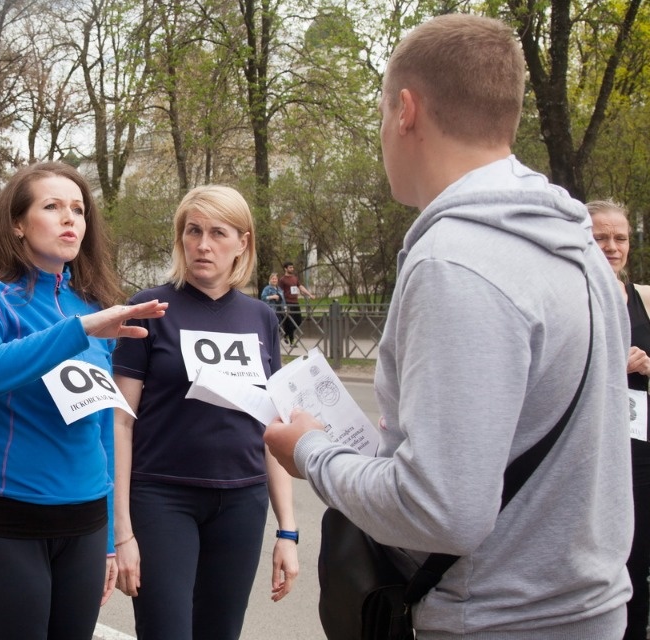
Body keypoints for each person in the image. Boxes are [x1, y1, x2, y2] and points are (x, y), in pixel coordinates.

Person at [264, 14, 632, 638]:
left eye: (383, 112)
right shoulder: (575, 247)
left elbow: (442, 511)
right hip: (583, 606)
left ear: (406, 110)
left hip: (497, 616)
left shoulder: (454, 261)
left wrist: (310, 451)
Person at [0, 161, 167, 640]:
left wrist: (112, 536)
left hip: (86, 522)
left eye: (78, 209)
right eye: (52, 207)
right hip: (7, 516)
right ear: (17, 223)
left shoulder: (92, 307)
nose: (71, 218)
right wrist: (78, 331)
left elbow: (104, 426)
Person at [112, 185, 299, 640]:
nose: (202, 244)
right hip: (162, 500)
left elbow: (274, 426)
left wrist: (288, 531)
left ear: (243, 243)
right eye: (193, 231)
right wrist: (121, 533)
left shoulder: (261, 318)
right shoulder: (151, 308)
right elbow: (119, 422)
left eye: (218, 232)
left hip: (242, 502)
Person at [587, 199, 650, 640]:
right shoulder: (575, 296)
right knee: (607, 568)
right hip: (595, 454)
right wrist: (615, 367)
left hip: (642, 450)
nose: (612, 246)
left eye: (620, 238)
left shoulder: (642, 297)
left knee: (640, 563)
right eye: (601, 237)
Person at [277, 261, 313, 345]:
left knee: (298, 321)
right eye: (290, 267)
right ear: (285, 268)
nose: (292, 269)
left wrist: (309, 294)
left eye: (292, 267)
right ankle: (292, 340)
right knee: (290, 321)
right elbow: (280, 292)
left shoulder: (295, 278)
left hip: (295, 302)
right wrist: (283, 304)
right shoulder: (282, 280)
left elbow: (300, 286)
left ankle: (286, 334)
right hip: (288, 302)